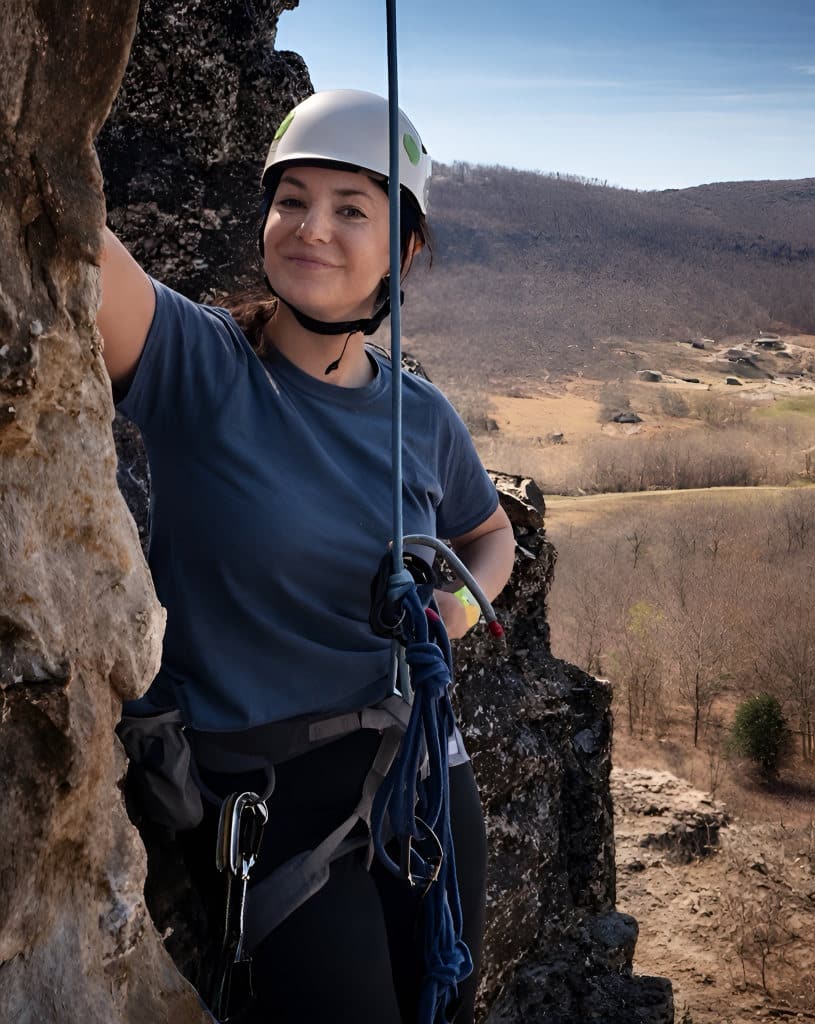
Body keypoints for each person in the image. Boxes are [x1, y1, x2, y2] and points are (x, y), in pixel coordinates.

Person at [98, 89, 515, 1024]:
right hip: (268, 795)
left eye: (350, 208)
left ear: (402, 251)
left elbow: (491, 535)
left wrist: (449, 614)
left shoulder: (420, 416)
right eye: (290, 200)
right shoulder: (201, 366)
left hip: (420, 771)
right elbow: (67, 232)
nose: (310, 227)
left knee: (445, 999)